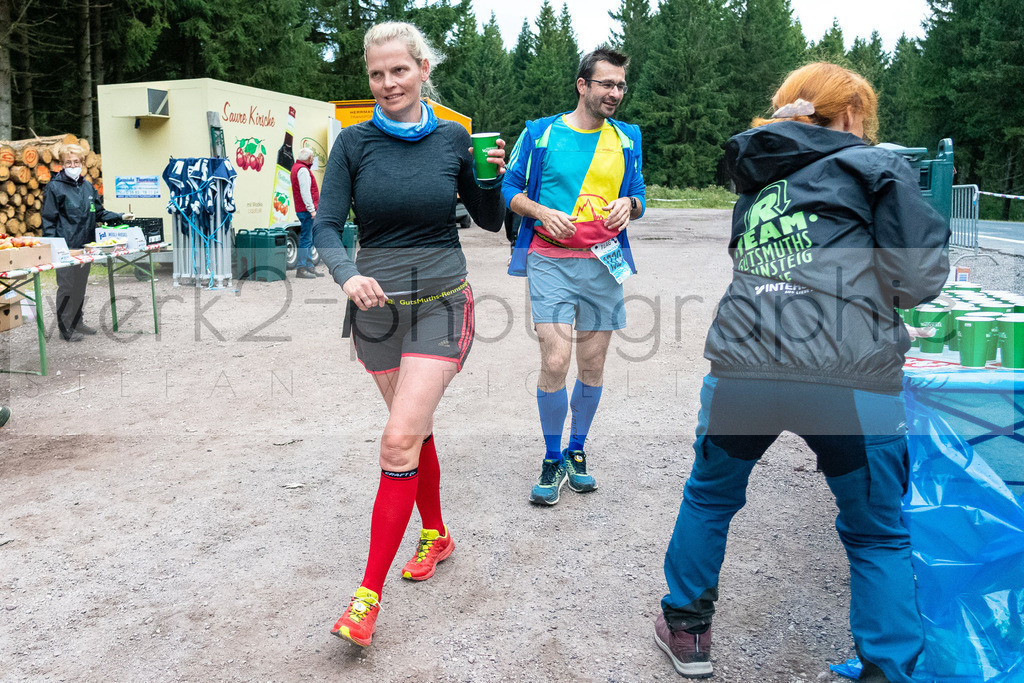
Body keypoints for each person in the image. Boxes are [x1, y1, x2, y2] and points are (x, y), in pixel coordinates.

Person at [654, 63, 950, 682]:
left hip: (745, 363)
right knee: (877, 534)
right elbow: (919, 279)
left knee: (709, 498)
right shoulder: (875, 167)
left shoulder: (759, 176)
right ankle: (887, 668)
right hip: (849, 373)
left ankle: (687, 629)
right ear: (849, 115)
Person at [312, 21, 506, 648]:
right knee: (413, 432)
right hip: (376, 311)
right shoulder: (352, 143)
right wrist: (347, 274)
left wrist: (491, 177)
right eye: (377, 73)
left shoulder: (455, 138)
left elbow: (489, 220)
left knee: (398, 440)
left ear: (424, 69)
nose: (389, 83)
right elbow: (324, 227)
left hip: (442, 301)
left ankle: (365, 601)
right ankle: (437, 533)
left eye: (400, 70)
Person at [501, 46, 646, 506]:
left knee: (594, 364)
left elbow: (639, 193)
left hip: (604, 263)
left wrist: (631, 205)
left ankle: (577, 450)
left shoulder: (627, 138)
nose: (615, 93)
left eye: (621, 85)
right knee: (556, 361)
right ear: (583, 85)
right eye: (606, 83)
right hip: (550, 259)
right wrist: (541, 211)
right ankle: (551, 456)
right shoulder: (540, 134)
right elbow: (509, 188)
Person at [41, 144, 131, 341]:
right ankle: (65, 328)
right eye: (68, 162)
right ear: (62, 164)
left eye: (76, 162)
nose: (72, 165)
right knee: (66, 286)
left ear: (82, 163)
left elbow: (98, 212)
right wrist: (54, 248)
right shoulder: (54, 187)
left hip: (87, 245)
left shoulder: (87, 186)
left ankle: (77, 322)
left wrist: (121, 216)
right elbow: (49, 220)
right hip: (66, 247)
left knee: (80, 285)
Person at [291, 147, 322, 279]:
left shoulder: (297, 168)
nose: (313, 159)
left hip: (303, 209)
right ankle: (302, 268)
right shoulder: (303, 170)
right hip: (306, 210)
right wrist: (312, 210)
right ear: (308, 158)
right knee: (306, 239)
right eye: (312, 157)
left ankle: (309, 267)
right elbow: (306, 192)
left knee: (308, 239)